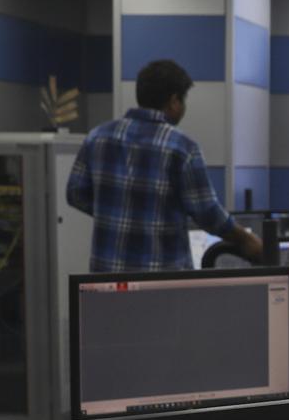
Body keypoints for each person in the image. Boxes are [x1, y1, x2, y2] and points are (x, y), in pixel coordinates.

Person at [65, 59, 262, 272]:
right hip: (160, 283)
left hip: (106, 279)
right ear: (173, 101)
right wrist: (246, 240)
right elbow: (206, 212)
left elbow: (75, 193)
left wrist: (117, 212)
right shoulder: (181, 148)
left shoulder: (97, 137)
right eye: (183, 101)